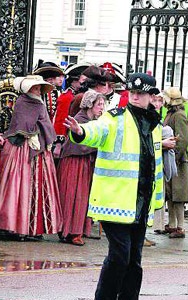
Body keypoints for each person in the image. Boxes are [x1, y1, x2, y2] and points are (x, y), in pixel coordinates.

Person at [64, 72, 163, 299]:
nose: (136, 97)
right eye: (133, 93)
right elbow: (98, 131)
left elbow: (155, 165)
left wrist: (156, 201)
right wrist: (80, 131)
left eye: (141, 93)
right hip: (114, 200)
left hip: (141, 201)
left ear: (150, 96)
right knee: (120, 256)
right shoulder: (115, 117)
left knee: (134, 260)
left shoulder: (154, 125)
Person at [0, 75, 62, 239]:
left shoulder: (40, 103)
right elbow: (21, 125)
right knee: (18, 185)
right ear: (27, 89)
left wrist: (42, 136)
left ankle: (33, 227)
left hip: (39, 150)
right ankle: (14, 226)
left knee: (38, 187)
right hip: (21, 149)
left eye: (39, 88)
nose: (38, 90)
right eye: (35, 88)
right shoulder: (22, 102)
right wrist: (31, 134)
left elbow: (47, 124)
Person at [57, 90, 105, 246]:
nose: (101, 108)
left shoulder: (93, 121)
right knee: (74, 196)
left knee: (82, 197)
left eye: (103, 104)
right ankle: (70, 231)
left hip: (84, 163)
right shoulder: (79, 120)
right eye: (99, 104)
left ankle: (76, 230)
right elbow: (78, 143)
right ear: (90, 104)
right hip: (74, 163)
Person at [161, 87, 188, 238]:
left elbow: (183, 139)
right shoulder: (171, 114)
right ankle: (172, 224)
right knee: (170, 194)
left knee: (178, 195)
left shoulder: (179, 116)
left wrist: (175, 157)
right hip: (170, 159)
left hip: (177, 161)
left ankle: (180, 227)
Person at [150, 92, 177, 238]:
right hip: (148, 164)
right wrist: (163, 144)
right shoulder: (147, 118)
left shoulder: (156, 118)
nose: (158, 104)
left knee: (157, 197)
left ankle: (153, 228)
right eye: (155, 101)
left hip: (157, 164)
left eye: (160, 101)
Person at [53, 63, 90, 157]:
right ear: (74, 81)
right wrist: (58, 144)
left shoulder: (77, 94)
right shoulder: (67, 97)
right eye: (81, 80)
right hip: (66, 139)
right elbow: (61, 120)